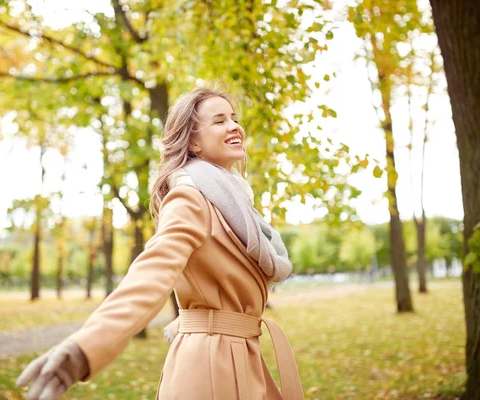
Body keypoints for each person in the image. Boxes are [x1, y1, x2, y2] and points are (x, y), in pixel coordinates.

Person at [15, 86, 305, 399]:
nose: (234, 126)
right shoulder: (190, 199)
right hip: (212, 370)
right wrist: (83, 350)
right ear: (194, 142)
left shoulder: (237, 206)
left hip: (239, 359)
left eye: (233, 118)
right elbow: (151, 275)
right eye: (219, 121)